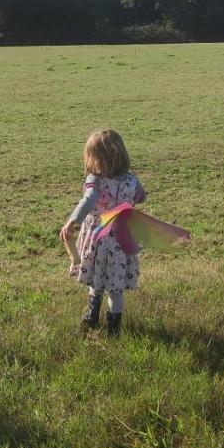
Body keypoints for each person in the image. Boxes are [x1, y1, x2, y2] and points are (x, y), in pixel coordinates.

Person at [60, 129, 146, 337]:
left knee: (97, 277)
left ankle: (92, 315)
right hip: (121, 239)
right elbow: (141, 196)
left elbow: (88, 200)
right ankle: (113, 327)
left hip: (98, 238)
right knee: (115, 286)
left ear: (96, 159)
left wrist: (73, 220)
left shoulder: (95, 181)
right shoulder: (132, 181)